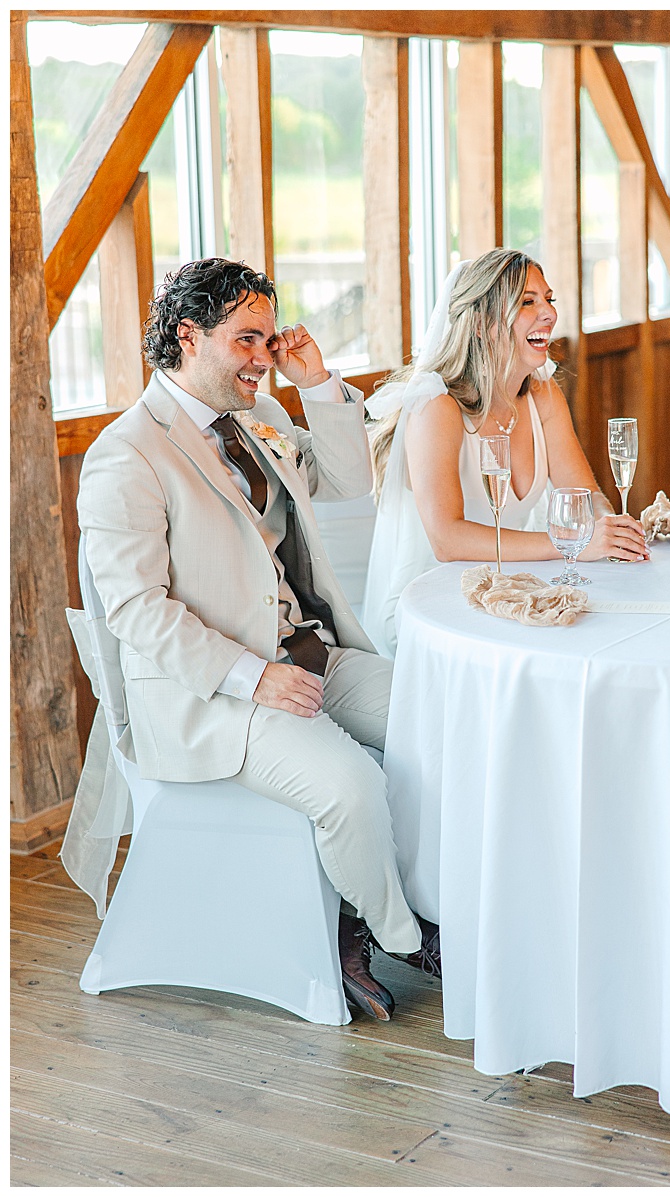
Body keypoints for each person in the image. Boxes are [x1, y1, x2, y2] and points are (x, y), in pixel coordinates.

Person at [76, 257, 440, 1022]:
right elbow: (138, 611)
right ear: (187, 335)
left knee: (441, 715)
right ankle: (400, 931)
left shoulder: (258, 423)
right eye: (247, 340)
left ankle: (412, 891)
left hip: (312, 652)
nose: (261, 358)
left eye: (269, 340)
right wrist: (252, 676)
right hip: (212, 695)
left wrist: (311, 385)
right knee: (352, 785)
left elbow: (349, 480)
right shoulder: (127, 452)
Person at [361, 248, 650, 657]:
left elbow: (584, 496)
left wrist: (610, 531)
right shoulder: (437, 406)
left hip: (508, 590)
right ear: (481, 324)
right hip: (432, 611)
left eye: (549, 299)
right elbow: (447, 540)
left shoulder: (543, 395)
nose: (548, 313)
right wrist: (568, 543)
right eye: (527, 302)